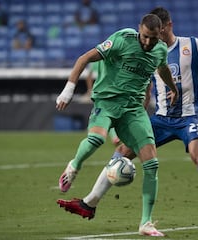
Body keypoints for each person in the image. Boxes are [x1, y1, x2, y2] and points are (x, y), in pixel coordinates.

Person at [62, 7, 198, 236]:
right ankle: (89, 203)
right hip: (160, 118)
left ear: (167, 26)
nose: (151, 38)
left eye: (157, 31)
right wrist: (144, 100)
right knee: (123, 152)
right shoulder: (148, 48)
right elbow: (145, 78)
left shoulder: (191, 46)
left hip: (188, 117)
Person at [55, 14, 179, 237]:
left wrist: (173, 88)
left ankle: (146, 223)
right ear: (139, 29)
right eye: (145, 36)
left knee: (151, 164)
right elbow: (83, 59)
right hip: (108, 101)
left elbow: (162, 69)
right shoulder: (122, 39)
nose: (148, 42)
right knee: (96, 139)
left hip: (133, 109)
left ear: (160, 33)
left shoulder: (160, 49)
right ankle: (74, 166)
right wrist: (68, 90)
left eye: (152, 38)